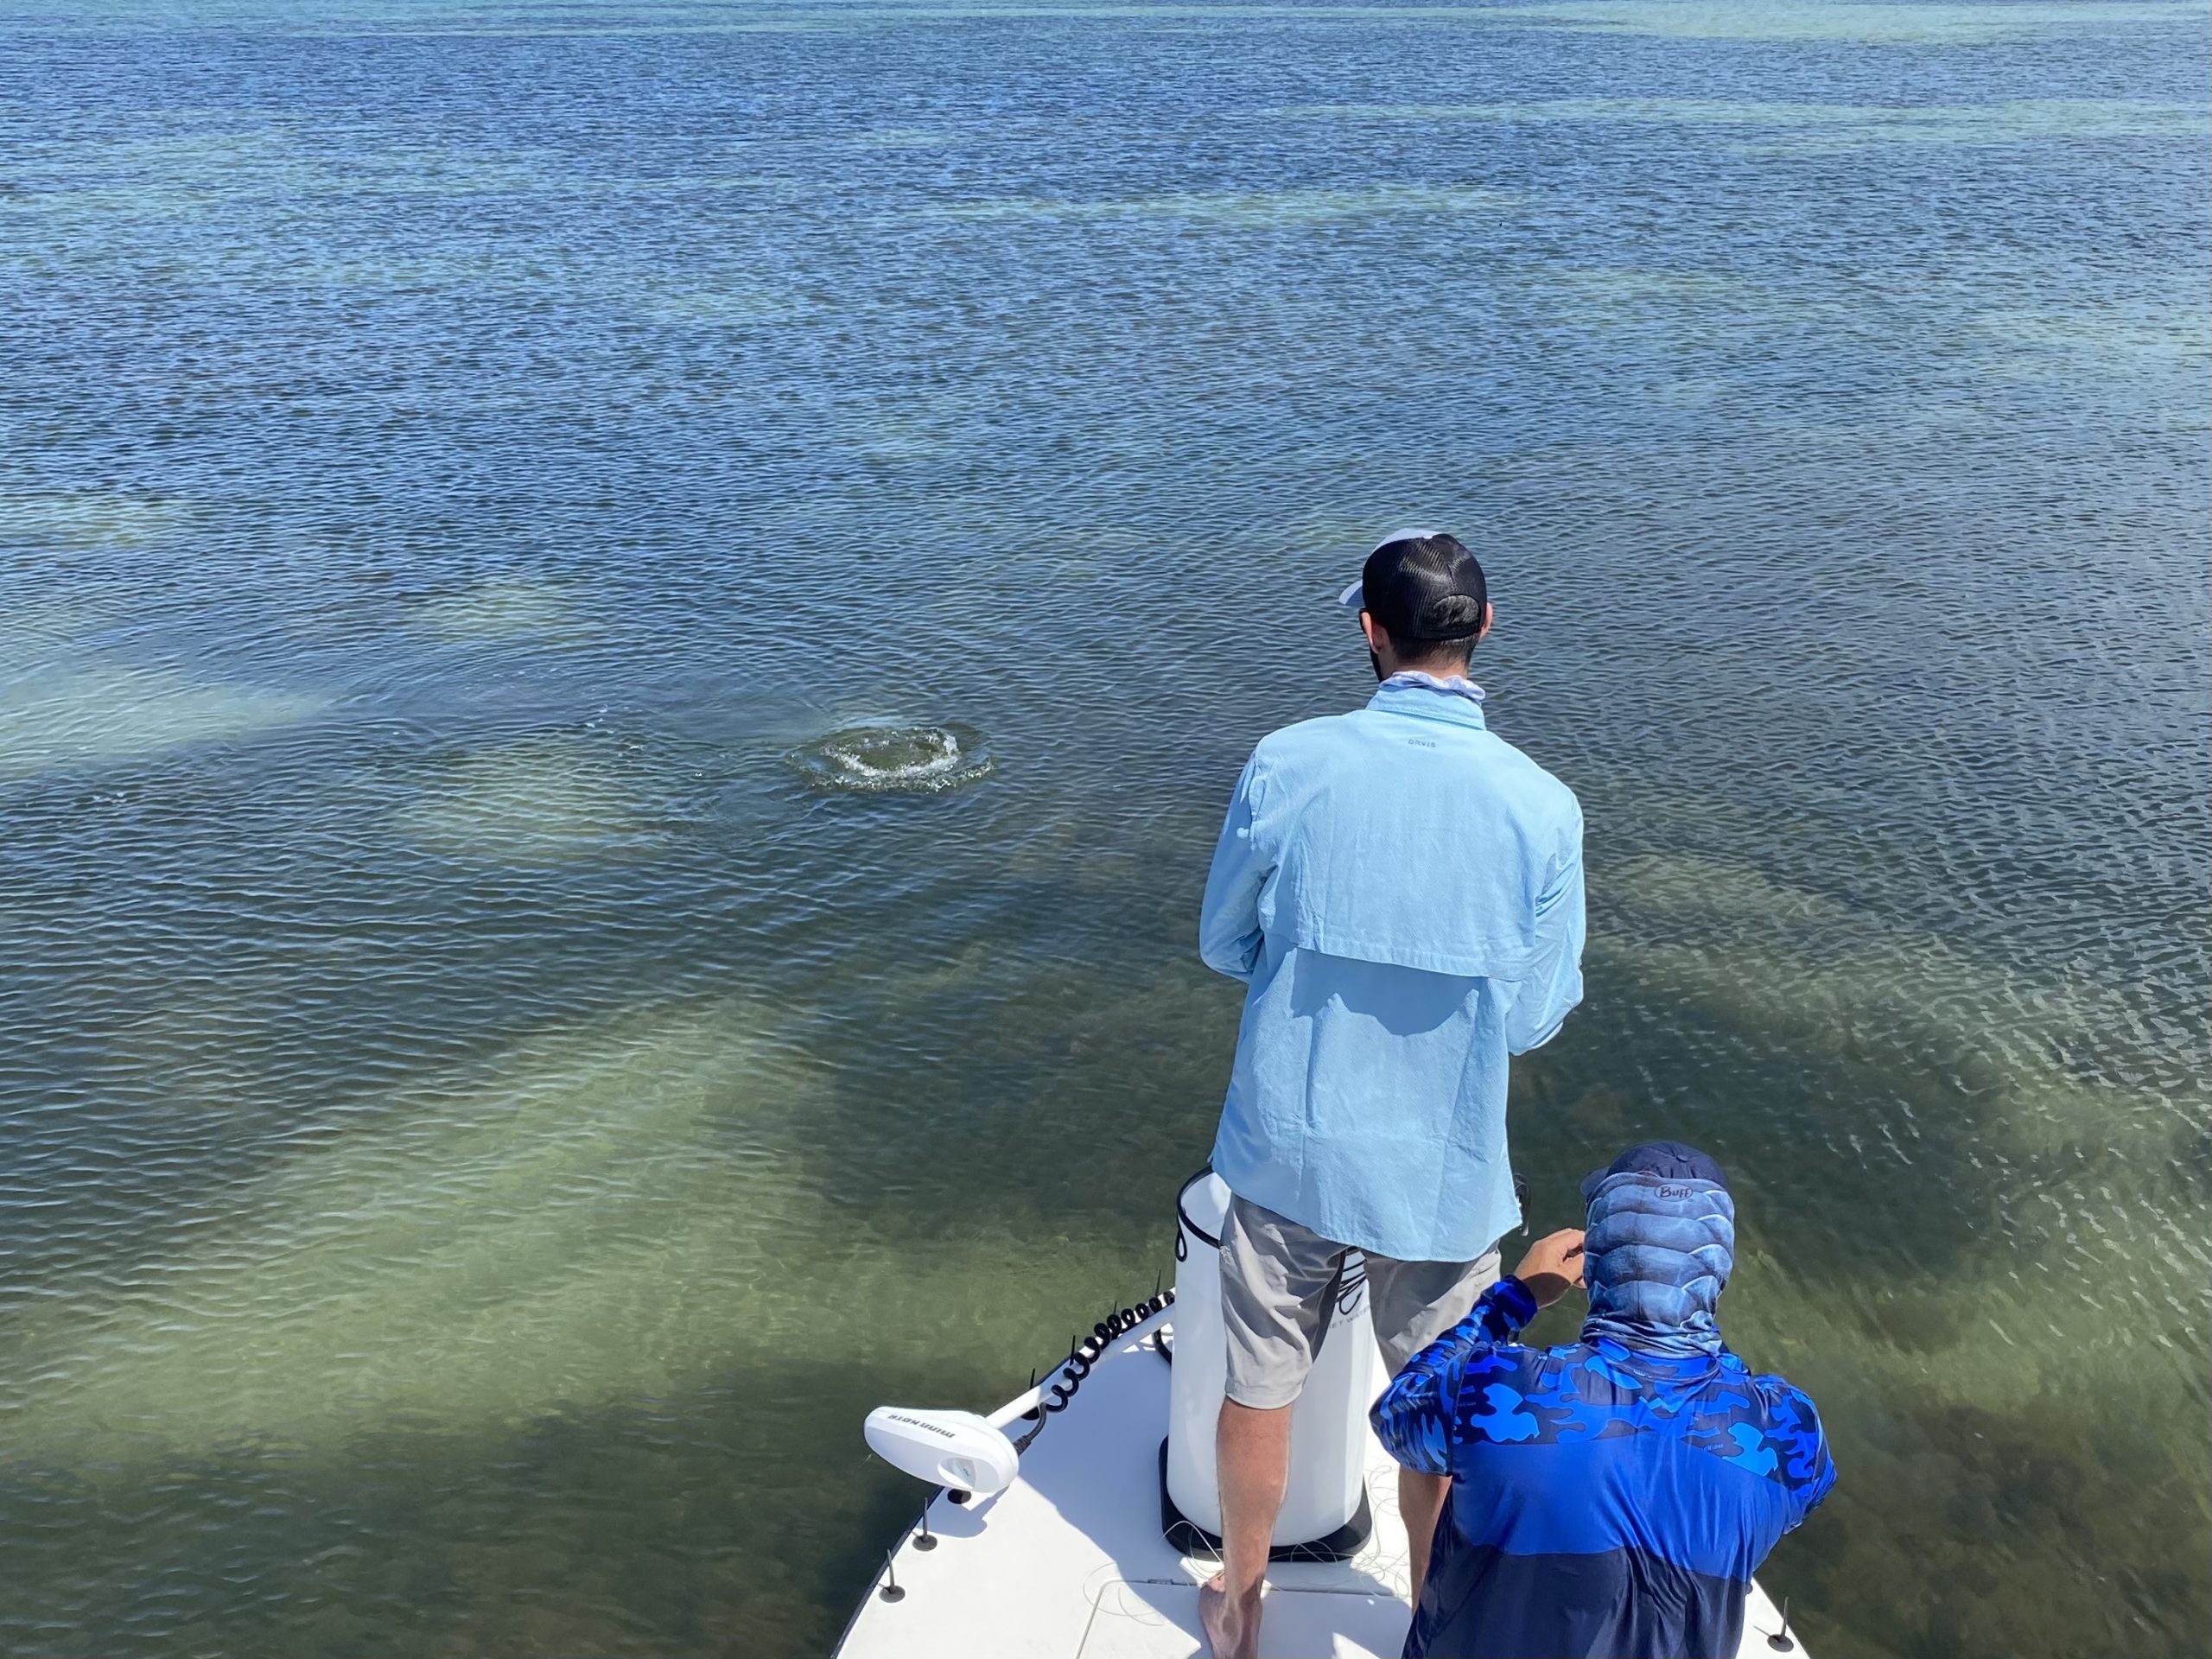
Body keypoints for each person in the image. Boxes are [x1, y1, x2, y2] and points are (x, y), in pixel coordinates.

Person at [1195, 531, 1586, 1659]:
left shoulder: (1287, 761)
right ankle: (1432, 1611)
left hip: (1289, 1148)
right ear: (1485, 626)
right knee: (1444, 1407)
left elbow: (1224, 942)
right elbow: (1530, 1016)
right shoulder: (1543, 805)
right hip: (1442, 1169)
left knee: (1260, 1387)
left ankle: (1241, 1607)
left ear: (1369, 630)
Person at [1372, 1141, 1837, 1659]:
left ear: (1591, 1273)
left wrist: (1514, 1298)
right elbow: (1802, 1493)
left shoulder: (1497, 1389)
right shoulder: (1786, 1431)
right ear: (1718, 1277)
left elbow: (1397, 1412)